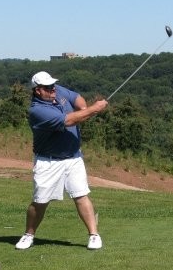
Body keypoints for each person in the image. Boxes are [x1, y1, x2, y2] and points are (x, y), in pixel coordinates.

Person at [15, 71, 109, 250]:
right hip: (48, 161)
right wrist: (93, 110)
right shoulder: (37, 111)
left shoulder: (57, 90)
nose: (53, 90)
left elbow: (76, 97)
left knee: (81, 195)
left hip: (73, 158)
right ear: (37, 91)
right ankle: (29, 234)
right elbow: (69, 121)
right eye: (48, 88)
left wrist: (84, 109)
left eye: (53, 86)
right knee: (40, 201)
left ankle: (94, 235)